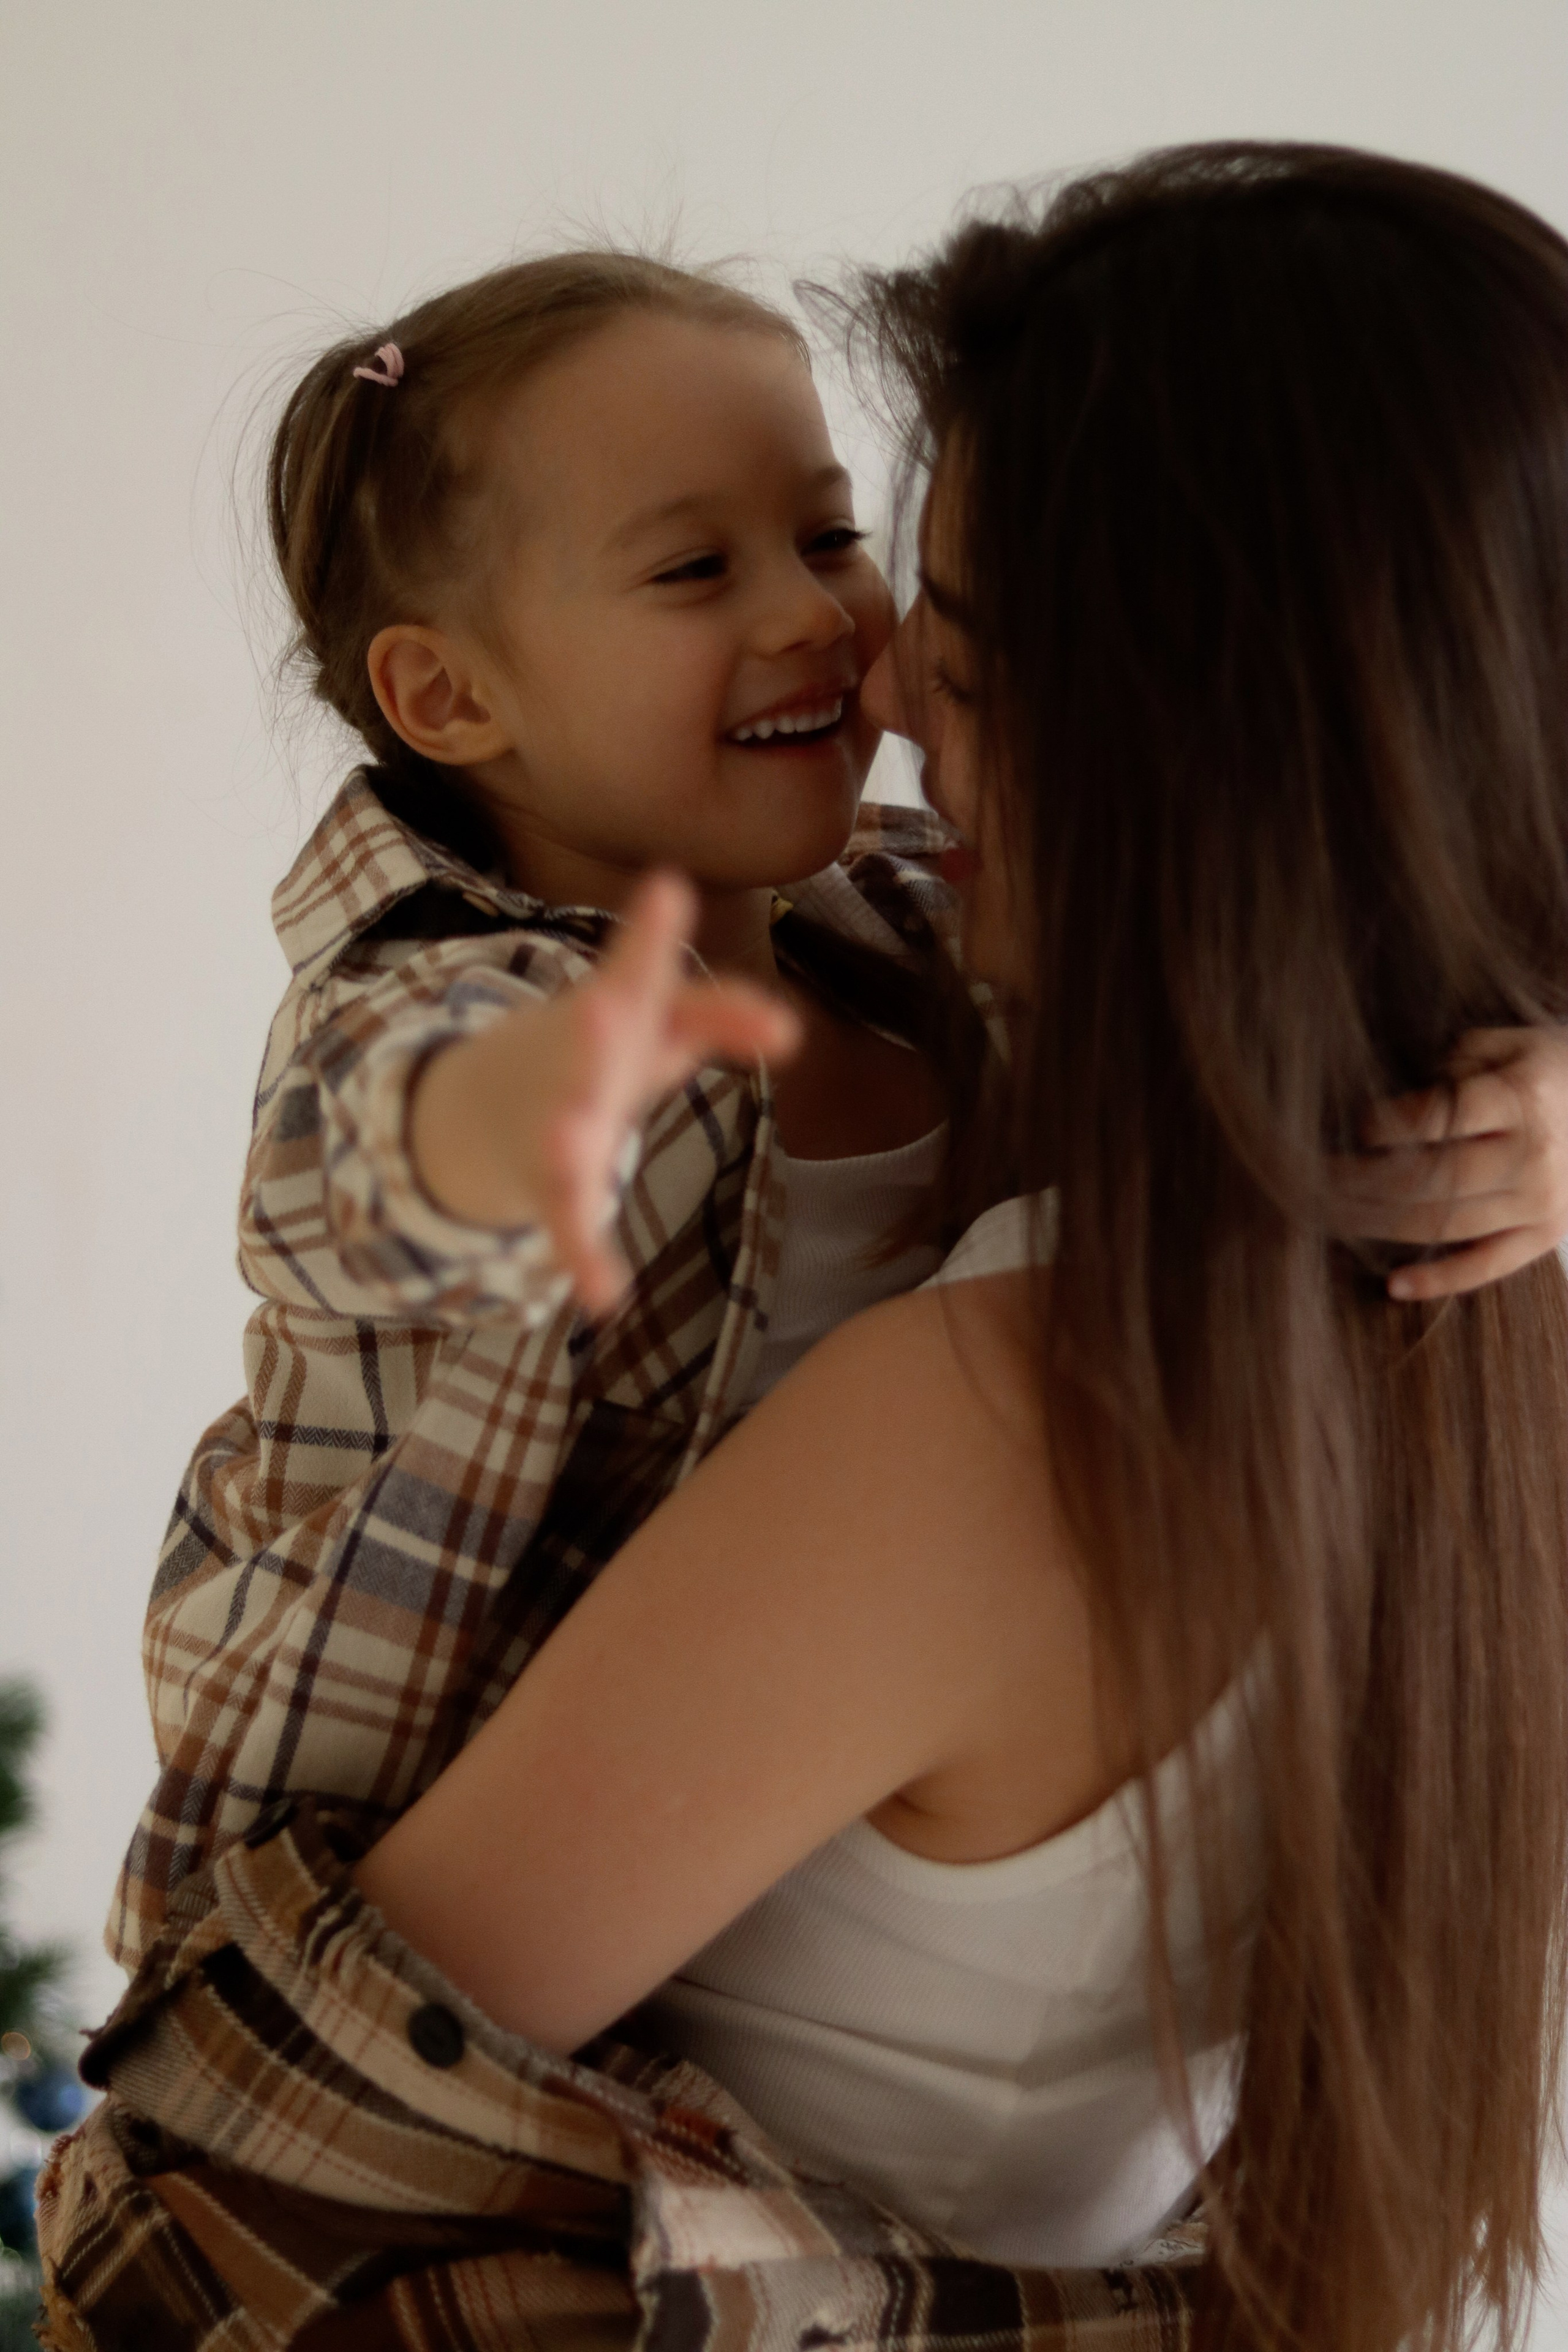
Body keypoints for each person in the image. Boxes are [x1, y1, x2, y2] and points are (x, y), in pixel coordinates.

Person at [36, 170, 1568, 2351]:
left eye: (899, 583)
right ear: (447, 695)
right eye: (695, 567)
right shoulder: (1475, 1299)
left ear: (1202, 740)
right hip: (324, 1779)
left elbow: (212, 2229)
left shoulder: (999, 1391)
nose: (886, 685)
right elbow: (370, 1149)